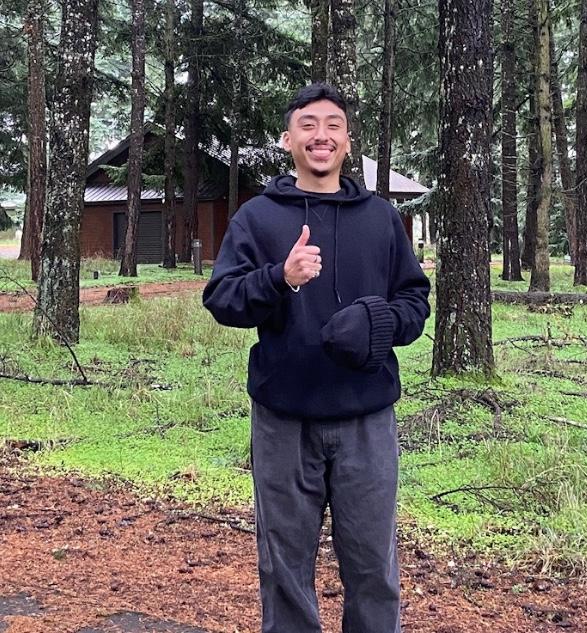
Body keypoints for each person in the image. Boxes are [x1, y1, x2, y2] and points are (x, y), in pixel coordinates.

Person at [203, 83, 431, 633]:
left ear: (347, 141)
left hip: (366, 420)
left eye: (333, 125)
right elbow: (222, 299)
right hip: (284, 419)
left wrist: (378, 324)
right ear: (288, 140)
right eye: (307, 125)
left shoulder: (380, 218)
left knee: (373, 567)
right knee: (284, 567)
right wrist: (278, 278)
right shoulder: (258, 218)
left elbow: (414, 301)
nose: (321, 135)